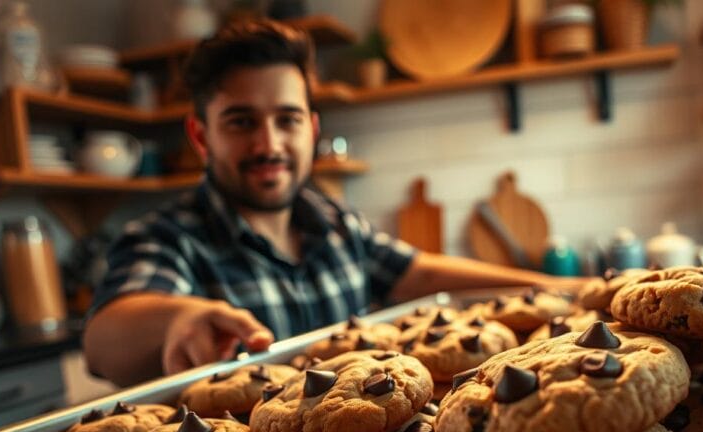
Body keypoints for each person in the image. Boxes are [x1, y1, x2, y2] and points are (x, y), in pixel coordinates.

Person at [83, 19, 586, 388]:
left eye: (287, 119)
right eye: (241, 122)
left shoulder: (336, 223)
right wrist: (177, 319)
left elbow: (424, 275)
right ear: (201, 135)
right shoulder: (166, 239)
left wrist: (564, 289)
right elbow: (103, 342)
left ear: (312, 129)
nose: (269, 144)